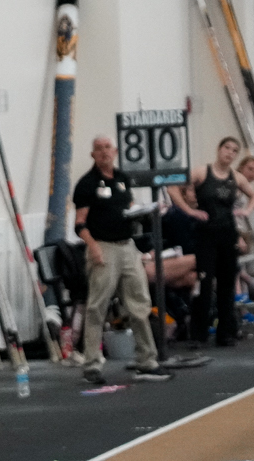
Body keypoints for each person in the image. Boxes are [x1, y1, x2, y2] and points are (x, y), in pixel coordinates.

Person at [72, 135, 171, 384]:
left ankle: (146, 360)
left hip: (127, 246)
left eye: (108, 148)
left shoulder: (123, 179)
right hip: (103, 246)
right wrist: (93, 247)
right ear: (93, 154)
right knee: (97, 306)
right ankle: (92, 364)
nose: (104, 152)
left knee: (139, 303)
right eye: (99, 149)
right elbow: (79, 224)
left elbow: (129, 208)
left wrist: (146, 212)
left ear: (115, 152)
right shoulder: (86, 184)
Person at [181, 138, 254, 347]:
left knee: (227, 285)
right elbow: (173, 187)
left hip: (227, 233)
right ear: (219, 149)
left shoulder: (236, 177)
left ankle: (226, 333)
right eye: (227, 148)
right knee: (204, 285)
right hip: (206, 234)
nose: (230, 153)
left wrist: (247, 211)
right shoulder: (202, 172)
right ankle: (198, 335)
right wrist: (189, 210)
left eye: (234, 150)